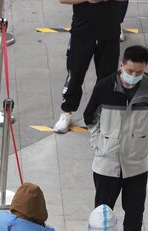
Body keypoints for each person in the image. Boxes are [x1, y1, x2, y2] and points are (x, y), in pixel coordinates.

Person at [83, 45, 148, 231]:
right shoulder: (104, 87)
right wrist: (98, 144)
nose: (134, 75)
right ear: (121, 65)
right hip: (107, 164)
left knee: (134, 218)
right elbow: (89, 117)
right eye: (130, 71)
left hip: (136, 165)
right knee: (101, 218)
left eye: (139, 72)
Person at [53, 0, 123, 133]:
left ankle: (100, 113)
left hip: (110, 30)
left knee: (107, 77)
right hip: (82, 29)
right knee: (75, 72)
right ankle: (67, 111)